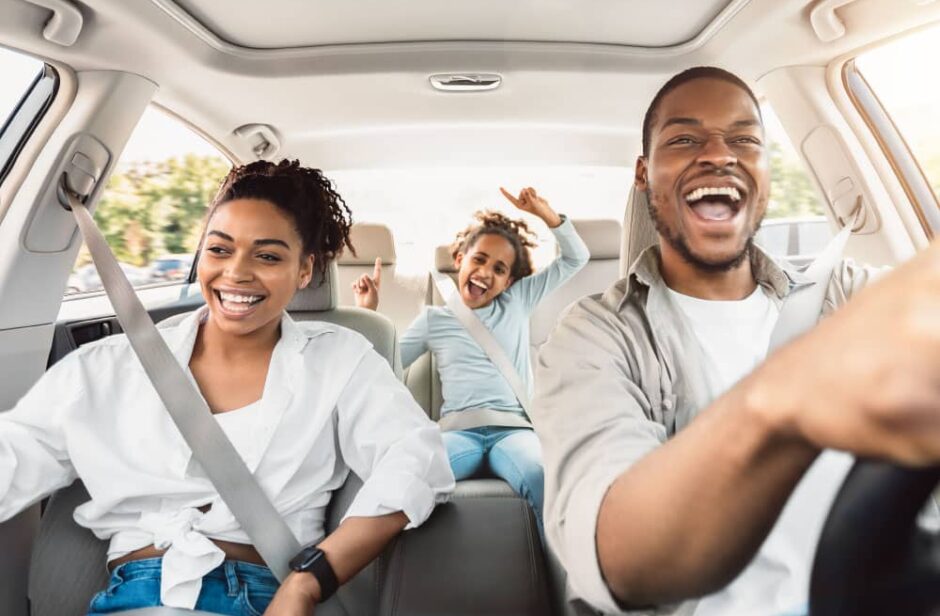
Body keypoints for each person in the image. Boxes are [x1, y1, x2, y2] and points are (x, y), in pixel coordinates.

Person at [529, 65, 937, 615]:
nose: (719, 154)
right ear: (644, 174)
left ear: (766, 170)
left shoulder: (846, 295)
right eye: (685, 138)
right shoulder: (595, 337)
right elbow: (618, 556)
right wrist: (781, 404)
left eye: (745, 139)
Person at [0, 160, 454, 615]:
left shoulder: (339, 359)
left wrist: (307, 583)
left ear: (304, 270)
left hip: (263, 595)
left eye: (268, 255)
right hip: (131, 598)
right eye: (219, 250)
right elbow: (14, 456)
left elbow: (416, 458)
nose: (236, 273)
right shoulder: (108, 367)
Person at [353, 187, 589, 532]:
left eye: (499, 269)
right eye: (479, 260)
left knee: (541, 475)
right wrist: (369, 315)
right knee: (409, 477)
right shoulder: (435, 319)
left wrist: (547, 215)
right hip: (458, 434)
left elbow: (575, 258)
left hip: (514, 432)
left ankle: (570, 576)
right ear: (460, 258)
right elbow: (387, 369)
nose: (486, 272)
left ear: (510, 281)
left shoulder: (518, 301)